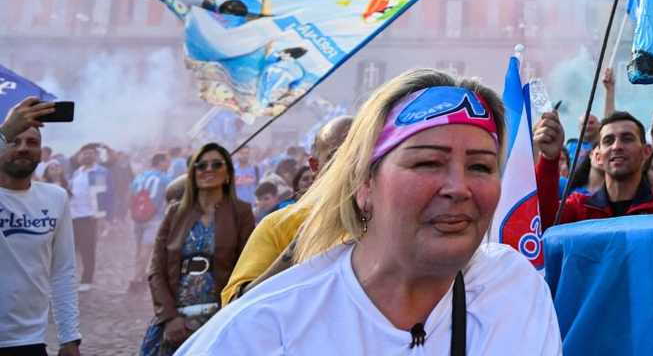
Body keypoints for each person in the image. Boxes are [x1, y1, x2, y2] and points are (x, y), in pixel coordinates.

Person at [176, 69, 562, 354]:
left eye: (480, 166)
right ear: (364, 183)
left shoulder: (515, 292)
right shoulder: (259, 334)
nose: (459, 188)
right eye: (428, 163)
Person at [220, 116, 352, 305]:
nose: (352, 165)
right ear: (315, 166)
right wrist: (295, 251)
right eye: (337, 157)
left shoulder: (392, 223)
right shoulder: (280, 225)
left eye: (361, 154)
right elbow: (235, 306)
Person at [140, 144, 255, 354]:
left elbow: (248, 267)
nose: (208, 169)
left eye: (217, 164)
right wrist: (169, 318)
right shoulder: (175, 213)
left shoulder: (241, 213)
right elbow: (156, 269)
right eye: (201, 165)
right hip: (176, 321)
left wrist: (229, 315)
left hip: (221, 319)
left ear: (228, 174)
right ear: (192, 174)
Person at [0, 97, 81, 356]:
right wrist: (5, 130)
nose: (23, 148)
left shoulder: (55, 198)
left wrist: (70, 338)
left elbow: (63, 271)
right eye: (15, 141)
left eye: (32, 142)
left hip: (30, 340)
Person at [534, 107, 653, 227]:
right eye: (608, 141)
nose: (617, 147)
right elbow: (541, 222)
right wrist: (549, 159)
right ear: (598, 157)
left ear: (646, 152)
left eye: (627, 138)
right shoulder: (579, 209)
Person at [130, 153, 171, 292]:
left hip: (138, 217)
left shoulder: (140, 176)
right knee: (146, 249)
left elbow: (131, 194)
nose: (168, 164)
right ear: (160, 163)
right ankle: (136, 278)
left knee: (139, 248)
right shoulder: (164, 178)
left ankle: (139, 274)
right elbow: (169, 198)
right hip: (155, 217)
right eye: (167, 162)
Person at [67, 146, 105, 292]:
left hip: (89, 216)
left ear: (95, 156)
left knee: (87, 250)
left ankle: (87, 279)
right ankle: (70, 278)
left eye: (90, 154)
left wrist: (101, 218)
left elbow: (102, 196)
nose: (86, 156)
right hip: (73, 215)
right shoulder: (77, 172)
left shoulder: (99, 172)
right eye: (84, 153)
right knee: (71, 249)